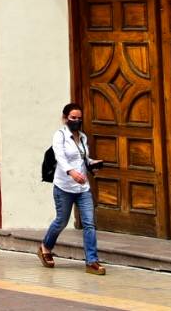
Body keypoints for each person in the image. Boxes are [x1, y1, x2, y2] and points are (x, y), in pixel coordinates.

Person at [39, 102, 105, 275]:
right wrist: (71, 172)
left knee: (89, 223)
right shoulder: (59, 136)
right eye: (72, 118)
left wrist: (92, 164)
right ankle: (45, 246)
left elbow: (84, 159)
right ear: (65, 118)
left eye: (79, 118)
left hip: (83, 188)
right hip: (64, 186)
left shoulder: (83, 138)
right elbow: (60, 156)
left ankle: (92, 261)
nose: (76, 121)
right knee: (61, 221)